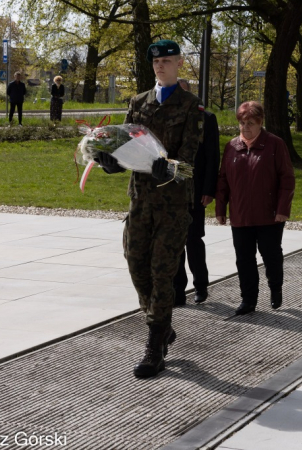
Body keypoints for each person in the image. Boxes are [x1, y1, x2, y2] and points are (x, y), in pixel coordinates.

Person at [94, 39, 204, 379]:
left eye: (167, 61)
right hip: (140, 201)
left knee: (161, 272)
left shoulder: (191, 106)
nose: (161, 66)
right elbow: (124, 147)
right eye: (156, 62)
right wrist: (109, 161)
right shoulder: (137, 102)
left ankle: (155, 343)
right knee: (135, 262)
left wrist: (170, 169)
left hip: (172, 205)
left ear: (179, 64)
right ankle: (160, 323)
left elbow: (190, 167)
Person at [215, 101, 295, 316]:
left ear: (261, 123)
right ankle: (248, 300)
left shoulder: (275, 144)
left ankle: (275, 289)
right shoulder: (232, 146)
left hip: (269, 215)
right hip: (240, 215)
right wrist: (220, 209)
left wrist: (282, 209)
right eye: (242, 123)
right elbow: (222, 180)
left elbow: (287, 179)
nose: (245, 127)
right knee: (244, 259)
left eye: (250, 123)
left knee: (271, 256)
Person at [172, 78, 220, 307]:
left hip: (195, 188)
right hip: (171, 190)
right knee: (174, 242)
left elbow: (212, 157)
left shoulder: (207, 119)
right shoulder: (167, 119)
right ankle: (177, 290)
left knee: (193, 240)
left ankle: (200, 286)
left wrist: (209, 189)